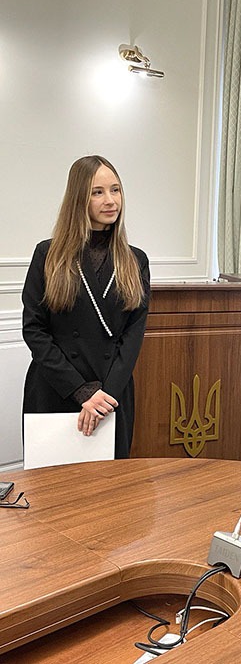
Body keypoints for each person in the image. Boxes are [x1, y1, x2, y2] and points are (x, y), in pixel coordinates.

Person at [22, 155, 150, 459]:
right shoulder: (47, 254)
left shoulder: (136, 260)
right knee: (53, 485)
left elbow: (133, 335)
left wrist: (105, 396)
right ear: (79, 198)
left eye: (115, 190)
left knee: (110, 485)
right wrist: (81, 391)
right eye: (98, 192)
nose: (110, 200)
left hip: (112, 395)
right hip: (57, 389)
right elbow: (34, 329)